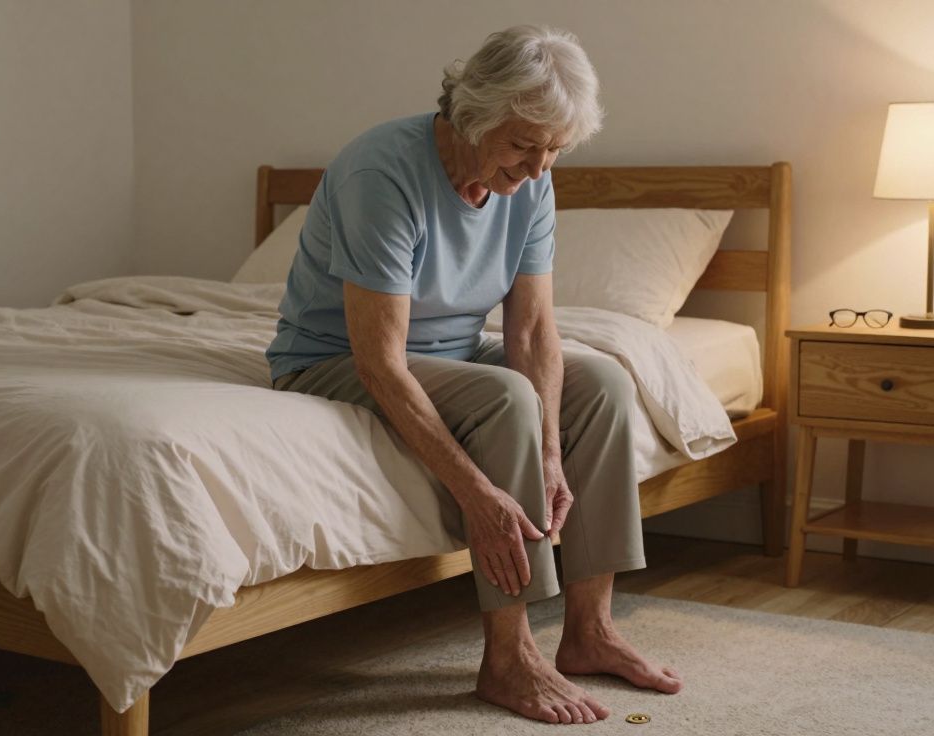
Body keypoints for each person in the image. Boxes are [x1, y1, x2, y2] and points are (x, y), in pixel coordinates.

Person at [267, 24, 681, 725]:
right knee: (506, 395)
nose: (538, 167)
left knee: (603, 384)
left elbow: (531, 330)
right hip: (333, 360)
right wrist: (478, 493)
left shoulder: (532, 184)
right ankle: (509, 653)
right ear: (471, 113)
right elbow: (380, 361)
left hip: (453, 354)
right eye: (522, 145)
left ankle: (590, 630)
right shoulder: (382, 173)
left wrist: (550, 453)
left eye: (555, 149)